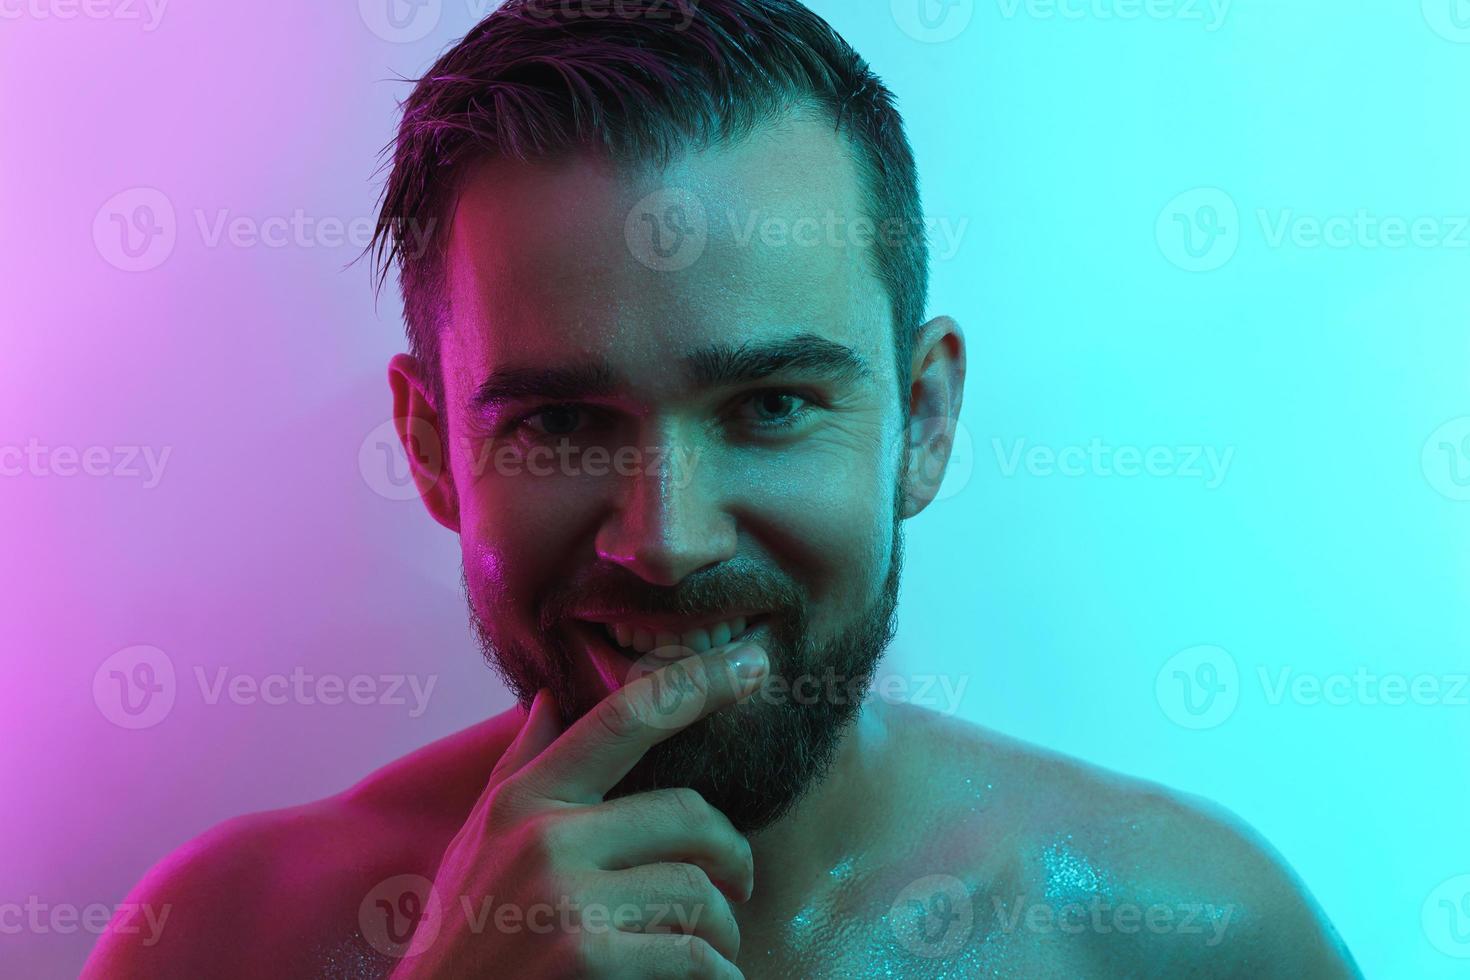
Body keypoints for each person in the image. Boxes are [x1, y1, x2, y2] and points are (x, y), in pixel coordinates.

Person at [84, 1, 1361, 976]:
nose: (669, 539)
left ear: (922, 422)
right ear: (430, 449)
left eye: (770, 406)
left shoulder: (1190, 934)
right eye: (563, 421)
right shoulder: (225, 935)